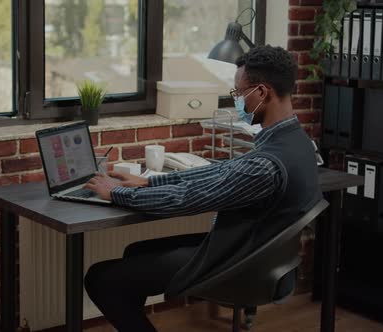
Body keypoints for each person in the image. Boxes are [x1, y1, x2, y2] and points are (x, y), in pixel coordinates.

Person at [82, 45, 322, 332]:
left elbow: (187, 199)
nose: (237, 100)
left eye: (238, 92)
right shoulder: (298, 143)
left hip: (239, 264)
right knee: (136, 251)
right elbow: (221, 172)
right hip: (252, 251)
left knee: (100, 278)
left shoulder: (266, 165)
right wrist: (150, 180)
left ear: (262, 92)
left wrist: (116, 192)